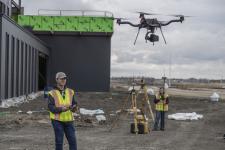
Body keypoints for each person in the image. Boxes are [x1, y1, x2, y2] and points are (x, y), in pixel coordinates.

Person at [48, 72, 78, 150]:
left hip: (69, 120)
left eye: (64, 78)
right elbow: (50, 107)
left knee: (73, 142)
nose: (63, 80)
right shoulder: (52, 93)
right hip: (57, 121)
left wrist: (74, 108)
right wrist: (61, 109)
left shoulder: (71, 91)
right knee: (59, 142)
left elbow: (74, 103)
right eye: (61, 78)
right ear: (57, 80)